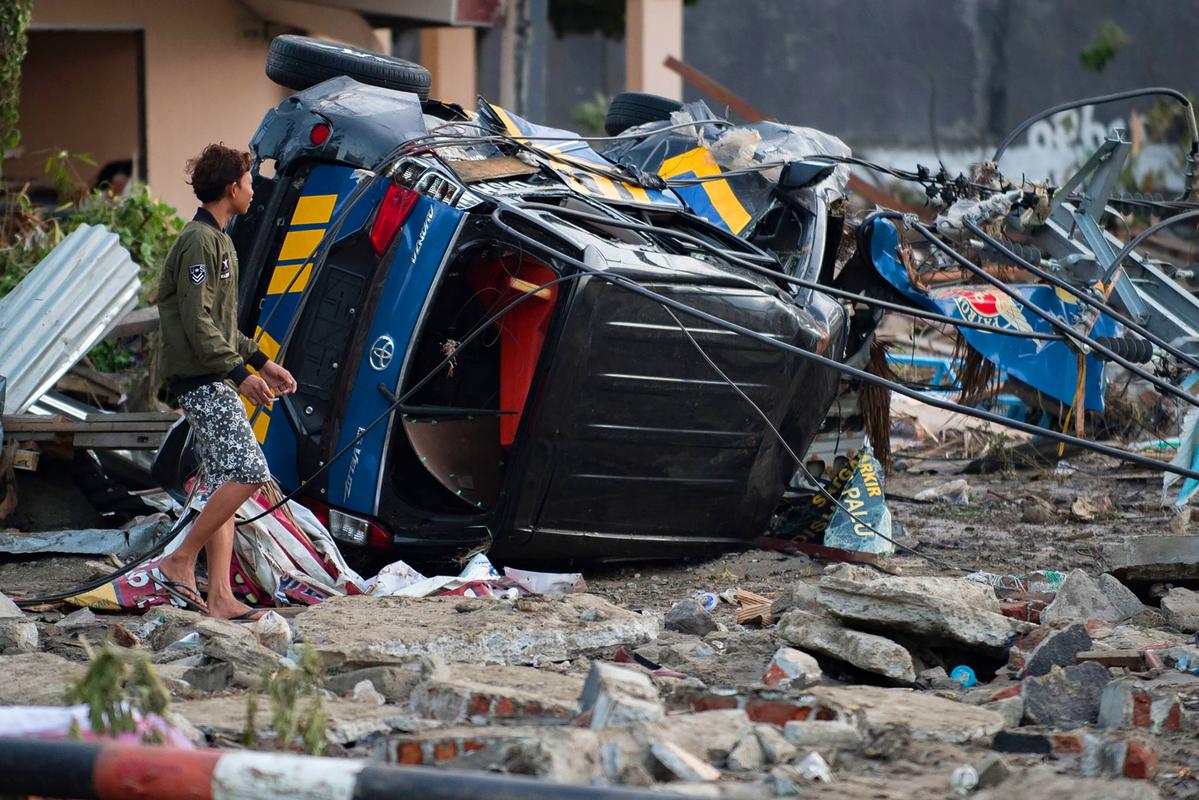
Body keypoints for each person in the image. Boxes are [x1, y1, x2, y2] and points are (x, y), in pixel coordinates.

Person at [156, 143, 297, 620]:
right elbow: (198, 327)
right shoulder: (199, 241)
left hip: (212, 372)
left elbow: (222, 326)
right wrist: (241, 377)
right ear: (232, 188)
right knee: (248, 471)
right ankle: (179, 560)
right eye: (249, 181)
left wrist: (263, 363)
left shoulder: (219, 241)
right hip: (201, 378)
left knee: (222, 481)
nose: (254, 190)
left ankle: (220, 598)